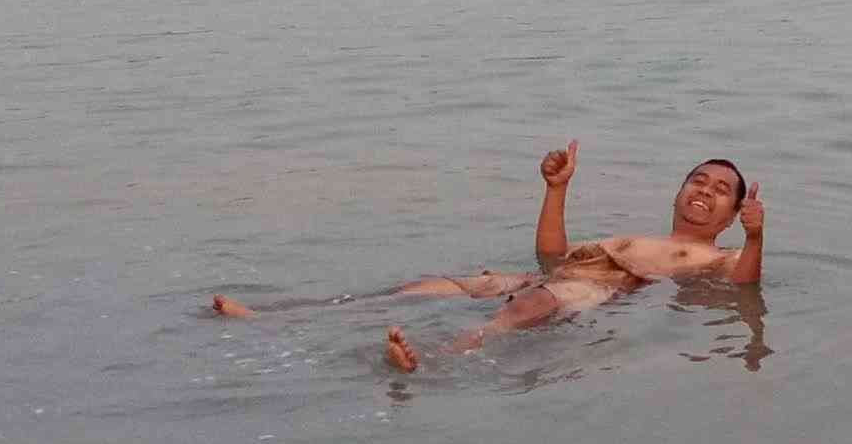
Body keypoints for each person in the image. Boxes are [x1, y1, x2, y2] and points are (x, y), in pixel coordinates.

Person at [208, 141, 765, 371]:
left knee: (527, 308)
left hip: (603, 289)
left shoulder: (720, 256)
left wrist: (757, 239)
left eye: (721, 189)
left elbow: (743, 288)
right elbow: (550, 257)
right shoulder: (628, 235)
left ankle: (430, 360)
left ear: (735, 210)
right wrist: (555, 190)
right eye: (698, 179)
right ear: (677, 190)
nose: (705, 190)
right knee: (425, 287)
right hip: (564, 272)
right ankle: (274, 317)